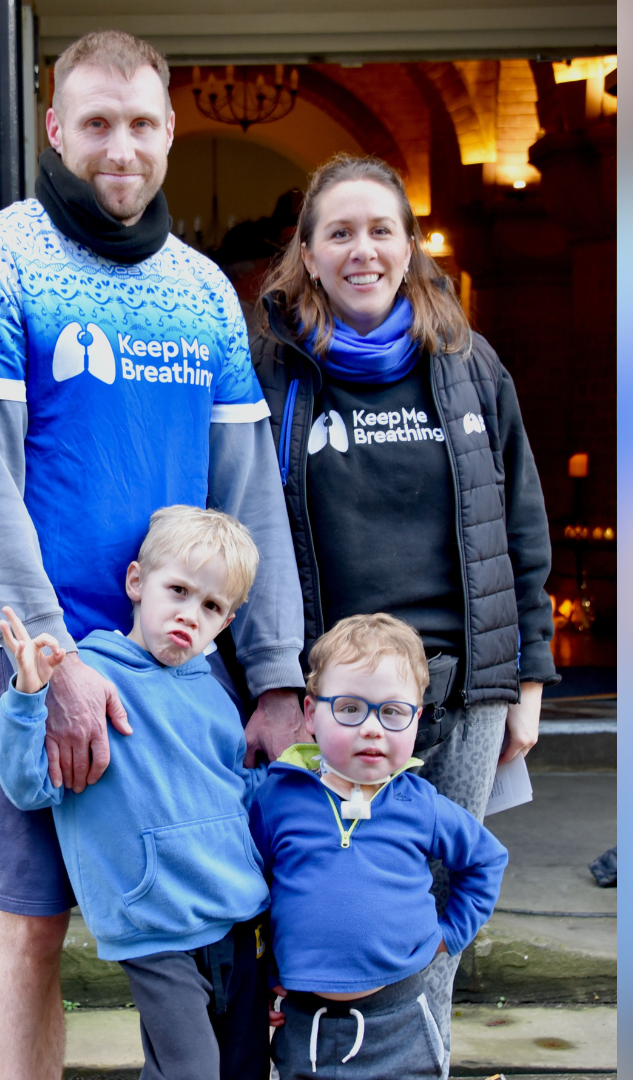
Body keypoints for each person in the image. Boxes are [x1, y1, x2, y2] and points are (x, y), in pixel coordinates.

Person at [0, 30, 305, 1080]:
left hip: (180, 650)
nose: (120, 148)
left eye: (141, 124)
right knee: (33, 914)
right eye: (96, 123)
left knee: (208, 914)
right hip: (34, 650)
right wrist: (54, 662)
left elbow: (248, 491)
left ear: (172, 132)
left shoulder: (201, 292)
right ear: (56, 128)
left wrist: (274, 672)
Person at [245, 153, 559, 1043]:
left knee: (433, 918)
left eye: (381, 230)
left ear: (410, 245)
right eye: (339, 232)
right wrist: (278, 685)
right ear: (306, 251)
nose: (363, 251)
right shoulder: (274, 369)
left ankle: (421, 1057)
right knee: (316, 910)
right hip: (327, 706)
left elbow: (520, 518)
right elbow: (242, 519)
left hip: (460, 694)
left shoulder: (466, 362)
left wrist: (527, 682)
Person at [0, 507, 273, 1080]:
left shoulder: (217, 696)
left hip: (239, 918)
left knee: (243, 1067)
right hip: (156, 925)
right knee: (189, 1069)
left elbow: (238, 796)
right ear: (137, 583)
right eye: (179, 591)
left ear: (227, 621)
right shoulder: (87, 681)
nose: (189, 615)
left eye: (211, 606)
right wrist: (26, 697)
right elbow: (28, 787)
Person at [251, 615, 508, 1079]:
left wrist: (450, 935)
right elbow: (256, 892)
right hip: (305, 1027)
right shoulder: (277, 800)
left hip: (402, 1022)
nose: (372, 728)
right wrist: (265, 977)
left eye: (392, 712)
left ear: (417, 719)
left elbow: (487, 859)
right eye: (350, 708)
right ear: (310, 714)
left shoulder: (421, 805)